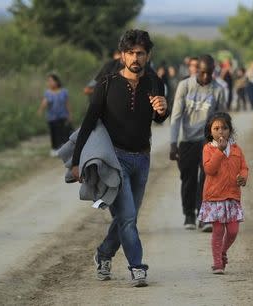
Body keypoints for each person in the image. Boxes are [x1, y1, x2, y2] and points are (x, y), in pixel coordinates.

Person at [71, 29, 169, 287]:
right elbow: (89, 122)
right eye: (130, 53)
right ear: (122, 55)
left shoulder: (155, 82)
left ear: (148, 56)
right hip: (114, 161)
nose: (135, 58)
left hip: (143, 159)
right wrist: (76, 161)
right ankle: (137, 267)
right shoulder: (107, 84)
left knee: (128, 217)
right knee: (126, 217)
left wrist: (163, 110)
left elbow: (158, 118)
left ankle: (104, 254)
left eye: (140, 53)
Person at [169, 54, 226, 232]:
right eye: (203, 73)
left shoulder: (218, 89)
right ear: (196, 71)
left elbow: (222, 118)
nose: (206, 77)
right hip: (187, 140)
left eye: (210, 73)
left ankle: (205, 216)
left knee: (208, 178)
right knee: (188, 179)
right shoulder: (185, 86)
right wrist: (173, 143)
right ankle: (189, 214)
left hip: (208, 141)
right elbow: (176, 116)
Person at [198, 112, 248, 274]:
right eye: (216, 128)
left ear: (230, 130)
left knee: (233, 231)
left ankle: (223, 251)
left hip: (232, 196)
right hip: (215, 197)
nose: (221, 132)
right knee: (218, 231)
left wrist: (243, 177)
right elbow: (209, 169)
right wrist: (219, 151)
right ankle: (218, 263)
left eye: (225, 128)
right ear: (210, 131)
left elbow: (243, 167)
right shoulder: (208, 149)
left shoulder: (236, 149)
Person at [37, 73, 72, 156]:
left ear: (56, 82)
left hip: (62, 116)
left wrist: (70, 114)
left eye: (51, 81)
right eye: (48, 81)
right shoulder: (48, 93)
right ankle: (54, 149)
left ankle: (63, 148)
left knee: (63, 132)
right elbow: (44, 102)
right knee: (54, 133)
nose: (49, 83)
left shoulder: (64, 91)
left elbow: (67, 103)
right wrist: (40, 110)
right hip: (52, 117)